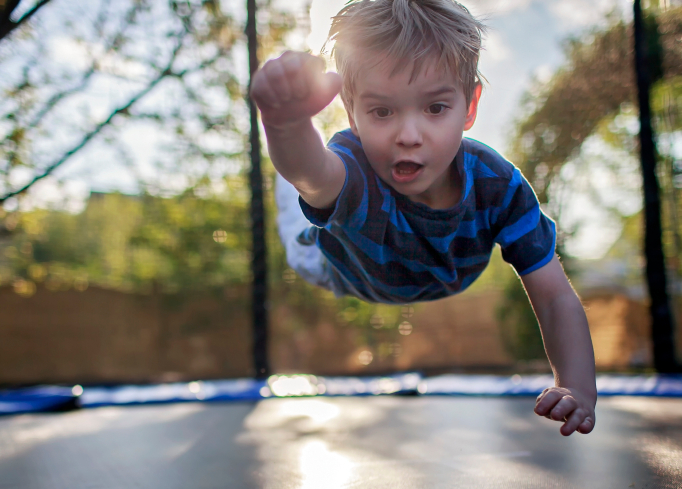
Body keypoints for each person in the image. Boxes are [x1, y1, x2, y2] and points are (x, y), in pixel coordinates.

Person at [250, 0, 596, 436]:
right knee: (300, 181)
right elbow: (315, 175)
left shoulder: (499, 188)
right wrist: (284, 124)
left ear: (469, 107)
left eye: (435, 108)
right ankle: (296, 147)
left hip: (425, 271)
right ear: (352, 113)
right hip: (331, 263)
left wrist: (577, 387)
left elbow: (555, 297)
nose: (409, 136)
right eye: (382, 112)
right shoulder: (354, 168)